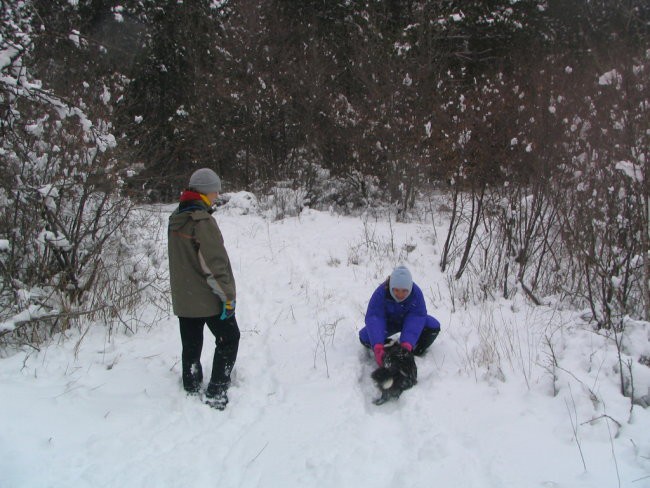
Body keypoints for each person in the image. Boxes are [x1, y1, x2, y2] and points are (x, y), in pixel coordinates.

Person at [168, 168, 240, 410]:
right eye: (215, 190)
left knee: (191, 343)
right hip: (206, 298)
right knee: (229, 338)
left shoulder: (177, 217)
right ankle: (217, 391)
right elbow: (214, 263)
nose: (217, 194)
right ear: (205, 192)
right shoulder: (202, 221)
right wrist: (227, 297)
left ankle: (191, 383)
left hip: (184, 298)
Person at [359, 265, 440, 366]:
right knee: (365, 337)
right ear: (391, 286)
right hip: (389, 324)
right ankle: (386, 349)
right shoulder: (381, 293)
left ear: (409, 288)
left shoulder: (416, 294)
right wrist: (378, 346)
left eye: (404, 291)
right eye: (396, 290)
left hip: (407, 322)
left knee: (433, 326)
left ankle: (414, 350)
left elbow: (416, 317)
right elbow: (375, 317)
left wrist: (407, 344)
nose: (400, 295)